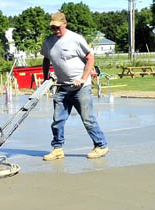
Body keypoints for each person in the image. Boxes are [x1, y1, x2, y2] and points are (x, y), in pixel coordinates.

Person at [40, 12, 108, 161]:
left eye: (58, 27)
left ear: (65, 23)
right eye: (53, 28)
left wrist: (83, 78)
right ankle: (57, 149)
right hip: (62, 87)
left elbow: (90, 58)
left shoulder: (75, 39)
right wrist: (46, 78)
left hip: (80, 88)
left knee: (88, 119)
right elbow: (46, 59)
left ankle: (101, 145)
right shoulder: (49, 41)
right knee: (57, 120)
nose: (55, 30)